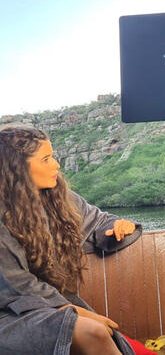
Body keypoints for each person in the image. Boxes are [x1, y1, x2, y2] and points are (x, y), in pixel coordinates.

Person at [0, 125, 143, 355]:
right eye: (46, 159)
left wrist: (116, 227)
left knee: (98, 331)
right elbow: (18, 286)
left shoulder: (59, 199)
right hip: (11, 313)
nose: (56, 164)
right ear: (16, 168)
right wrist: (77, 311)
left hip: (51, 305)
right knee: (93, 331)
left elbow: (98, 221)